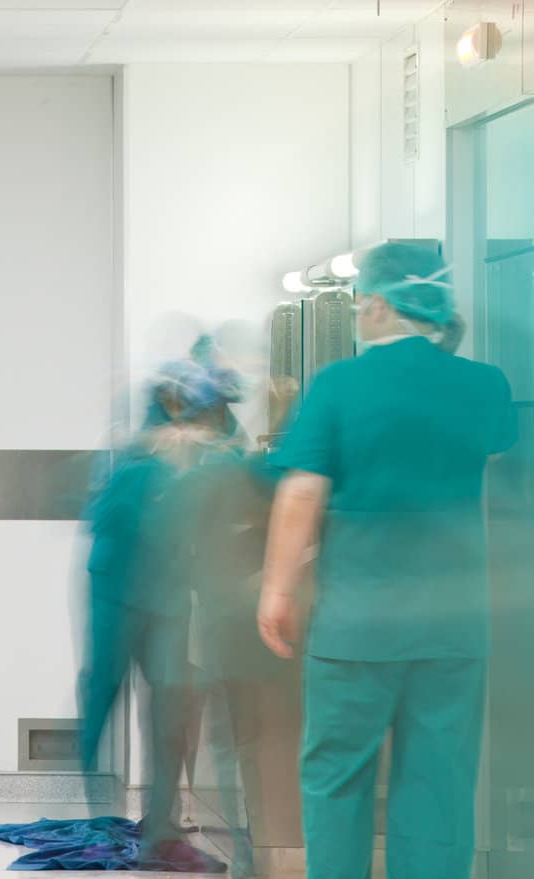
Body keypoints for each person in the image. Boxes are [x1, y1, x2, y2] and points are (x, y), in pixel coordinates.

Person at [258, 242, 518, 879]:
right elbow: (487, 470)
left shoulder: (341, 383)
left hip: (359, 625)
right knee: (438, 785)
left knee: (338, 778)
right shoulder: (485, 384)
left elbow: (301, 494)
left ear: (375, 303)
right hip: (455, 627)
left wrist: (277, 590)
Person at [78, 357, 235, 869]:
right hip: (117, 591)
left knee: (170, 709)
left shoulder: (205, 444)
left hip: (167, 597)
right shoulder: (135, 451)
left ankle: (161, 829)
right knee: (102, 695)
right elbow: (102, 514)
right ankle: (100, 821)